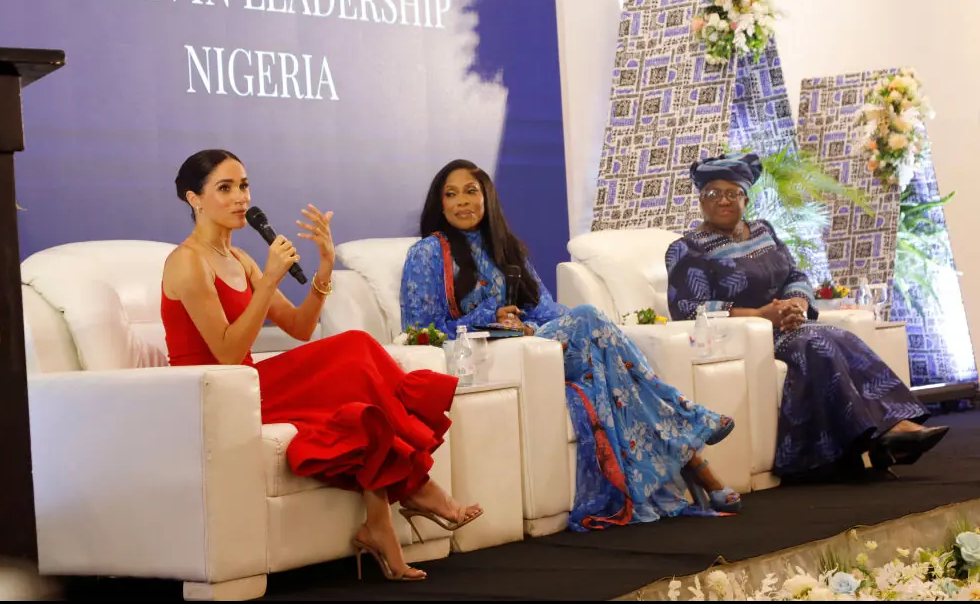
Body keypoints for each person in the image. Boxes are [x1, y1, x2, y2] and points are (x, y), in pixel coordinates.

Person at [160, 149, 482, 582]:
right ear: (193, 199)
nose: (241, 198)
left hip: (245, 383)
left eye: (243, 186)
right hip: (212, 392)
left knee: (358, 361)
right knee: (354, 352)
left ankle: (381, 524)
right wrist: (270, 279)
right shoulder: (186, 261)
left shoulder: (241, 260)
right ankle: (416, 489)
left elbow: (299, 326)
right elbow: (223, 350)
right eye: (225, 188)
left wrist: (325, 266)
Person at [399, 159, 742, 530]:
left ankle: (695, 458)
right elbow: (422, 329)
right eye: (451, 194)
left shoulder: (506, 247)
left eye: (471, 192)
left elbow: (545, 307)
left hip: (534, 347)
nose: (462, 202)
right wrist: (487, 318)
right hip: (487, 356)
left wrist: (527, 327)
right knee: (588, 317)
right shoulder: (429, 253)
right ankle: (692, 439)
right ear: (440, 202)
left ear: (487, 198)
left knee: (603, 359)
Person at [665, 153, 949, 483]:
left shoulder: (762, 231)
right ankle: (883, 435)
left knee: (841, 337)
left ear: (746, 197)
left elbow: (796, 274)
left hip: (791, 323)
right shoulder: (687, 248)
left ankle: (888, 431)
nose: (723, 201)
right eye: (713, 194)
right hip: (742, 336)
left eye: (732, 193)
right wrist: (760, 315)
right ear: (700, 200)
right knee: (818, 343)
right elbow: (687, 309)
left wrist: (797, 303)